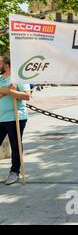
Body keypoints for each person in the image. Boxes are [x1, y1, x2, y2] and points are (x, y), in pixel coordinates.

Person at [0, 56, 31, 185]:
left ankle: (15, 172)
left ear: (6, 64)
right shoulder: (1, 79)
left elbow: (27, 96)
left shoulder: (19, 78)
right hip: (1, 117)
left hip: (16, 116)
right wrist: (6, 91)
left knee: (15, 145)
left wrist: (11, 91)